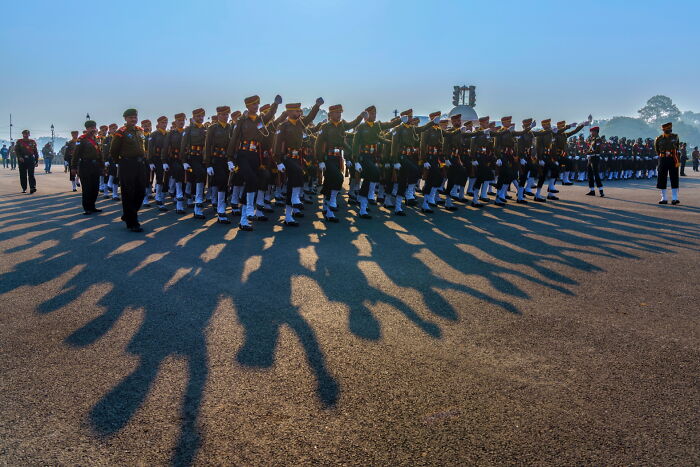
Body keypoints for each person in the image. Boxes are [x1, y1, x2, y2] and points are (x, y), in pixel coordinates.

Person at [272, 99, 323, 227]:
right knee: (298, 172)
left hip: (298, 158)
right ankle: (295, 199)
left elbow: (311, 116)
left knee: (294, 182)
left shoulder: (300, 124)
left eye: (299, 110)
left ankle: (288, 216)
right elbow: (277, 145)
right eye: (296, 110)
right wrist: (278, 161)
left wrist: (317, 106)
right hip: (286, 157)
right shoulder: (283, 126)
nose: (299, 112)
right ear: (289, 112)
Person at [110, 108, 148, 231]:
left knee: (141, 191)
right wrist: (119, 162)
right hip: (127, 164)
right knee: (128, 193)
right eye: (131, 117)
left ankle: (128, 214)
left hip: (140, 164)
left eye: (135, 117)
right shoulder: (121, 132)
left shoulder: (140, 131)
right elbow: (113, 150)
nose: (133, 119)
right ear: (125, 119)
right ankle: (132, 223)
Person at [71, 120, 103, 214]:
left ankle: (92, 206)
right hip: (85, 165)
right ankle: (87, 208)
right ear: (87, 129)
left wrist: (102, 165)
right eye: (91, 128)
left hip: (95, 165)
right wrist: (73, 167)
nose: (93, 129)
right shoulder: (81, 139)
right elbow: (76, 154)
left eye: (94, 127)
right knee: (87, 188)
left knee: (95, 187)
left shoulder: (96, 139)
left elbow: (99, 153)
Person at [654, 122, 681, 205]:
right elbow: (657, 149)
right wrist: (663, 154)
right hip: (663, 159)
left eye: (670, 129)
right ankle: (664, 198)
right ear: (663, 130)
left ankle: (675, 198)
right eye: (667, 129)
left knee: (674, 177)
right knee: (662, 177)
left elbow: (677, 147)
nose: (669, 130)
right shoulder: (658, 139)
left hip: (673, 159)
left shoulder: (675, 137)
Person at [585, 126, 605, 197]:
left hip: (595, 158)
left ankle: (601, 190)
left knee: (596, 174)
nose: (591, 133)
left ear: (596, 132)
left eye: (592, 131)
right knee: (590, 174)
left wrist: (588, 153)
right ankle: (592, 190)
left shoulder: (598, 140)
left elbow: (597, 150)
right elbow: (591, 149)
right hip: (591, 158)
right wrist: (588, 152)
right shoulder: (592, 139)